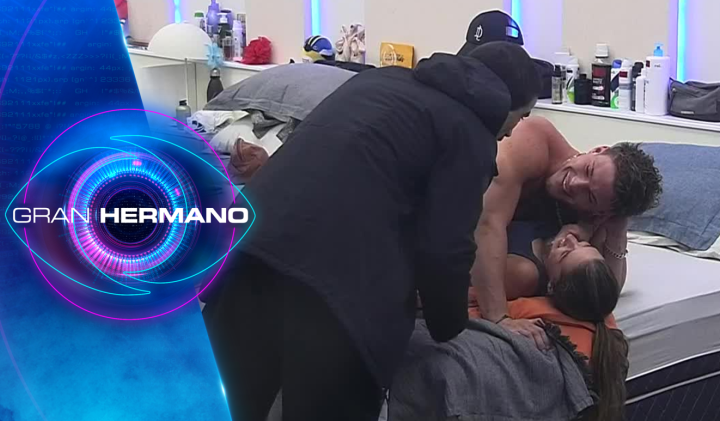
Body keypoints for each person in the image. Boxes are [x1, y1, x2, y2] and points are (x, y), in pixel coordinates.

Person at [200, 41, 541, 421]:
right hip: (337, 295)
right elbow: (445, 249)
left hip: (248, 252)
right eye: (522, 117)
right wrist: (449, 324)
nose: (511, 133)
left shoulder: (378, 82)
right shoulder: (470, 134)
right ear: (506, 103)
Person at [471, 116, 662, 348]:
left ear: (601, 213)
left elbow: (604, 290)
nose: (574, 183)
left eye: (589, 196)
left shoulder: (591, 213)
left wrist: (617, 228)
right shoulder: (533, 141)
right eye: (589, 170)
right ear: (599, 150)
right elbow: (487, 223)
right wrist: (498, 318)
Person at [468, 228, 629, 421]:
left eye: (565, 254)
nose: (571, 239)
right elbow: (610, 287)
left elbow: (465, 302)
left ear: (551, 285)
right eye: (585, 244)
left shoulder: (525, 299)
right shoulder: (600, 309)